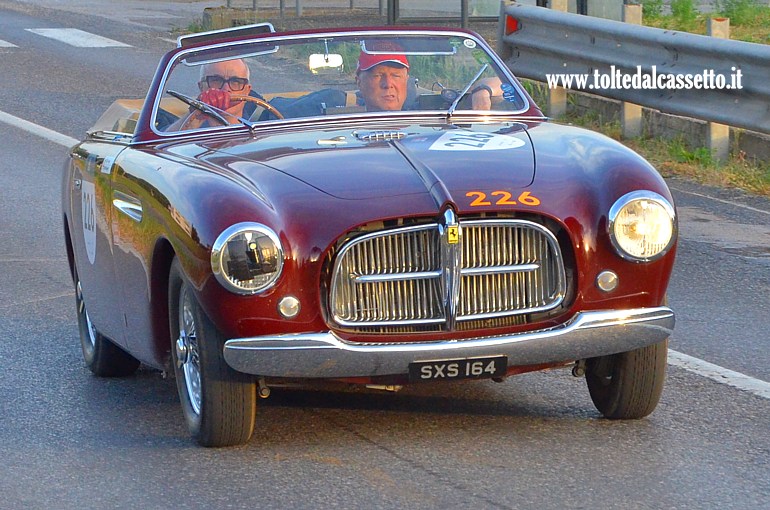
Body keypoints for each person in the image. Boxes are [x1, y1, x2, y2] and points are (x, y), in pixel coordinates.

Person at [166, 58, 260, 130]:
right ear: (201, 87)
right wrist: (198, 112)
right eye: (216, 80)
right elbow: (162, 146)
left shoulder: (263, 122)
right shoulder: (190, 126)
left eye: (235, 82)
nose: (226, 89)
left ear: (247, 90)